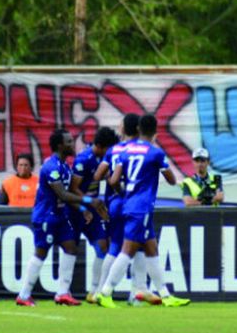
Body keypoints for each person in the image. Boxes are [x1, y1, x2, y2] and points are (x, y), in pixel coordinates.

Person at [97, 114, 190, 308]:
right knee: (127, 250)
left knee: (151, 248)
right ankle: (105, 292)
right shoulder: (155, 153)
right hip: (142, 207)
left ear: (139, 129)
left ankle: (165, 295)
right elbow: (172, 180)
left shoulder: (125, 150)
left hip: (128, 203)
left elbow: (113, 181)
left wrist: (125, 190)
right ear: (156, 132)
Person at [15, 129, 108, 307]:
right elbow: (63, 195)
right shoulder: (51, 167)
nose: (73, 144)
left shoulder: (65, 166)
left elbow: (66, 196)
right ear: (60, 145)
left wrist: (82, 209)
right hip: (46, 217)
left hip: (60, 216)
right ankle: (24, 294)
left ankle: (63, 293)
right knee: (41, 253)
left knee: (71, 248)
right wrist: (90, 201)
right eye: (69, 142)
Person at [93, 113, 161, 306]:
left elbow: (98, 175)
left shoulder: (114, 150)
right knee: (134, 247)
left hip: (117, 203)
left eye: (120, 124)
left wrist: (114, 183)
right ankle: (133, 292)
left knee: (118, 246)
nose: (118, 126)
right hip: (136, 203)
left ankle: (105, 290)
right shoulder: (144, 150)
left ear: (124, 128)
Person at [69, 126, 118, 302]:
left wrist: (97, 207)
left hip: (93, 208)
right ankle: (63, 291)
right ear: (100, 145)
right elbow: (73, 189)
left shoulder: (103, 158)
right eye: (109, 148)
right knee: (70, 249)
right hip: (76, 209)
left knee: (103, 246)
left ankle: (94, 291)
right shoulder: (84, 159)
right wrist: (86, 206)